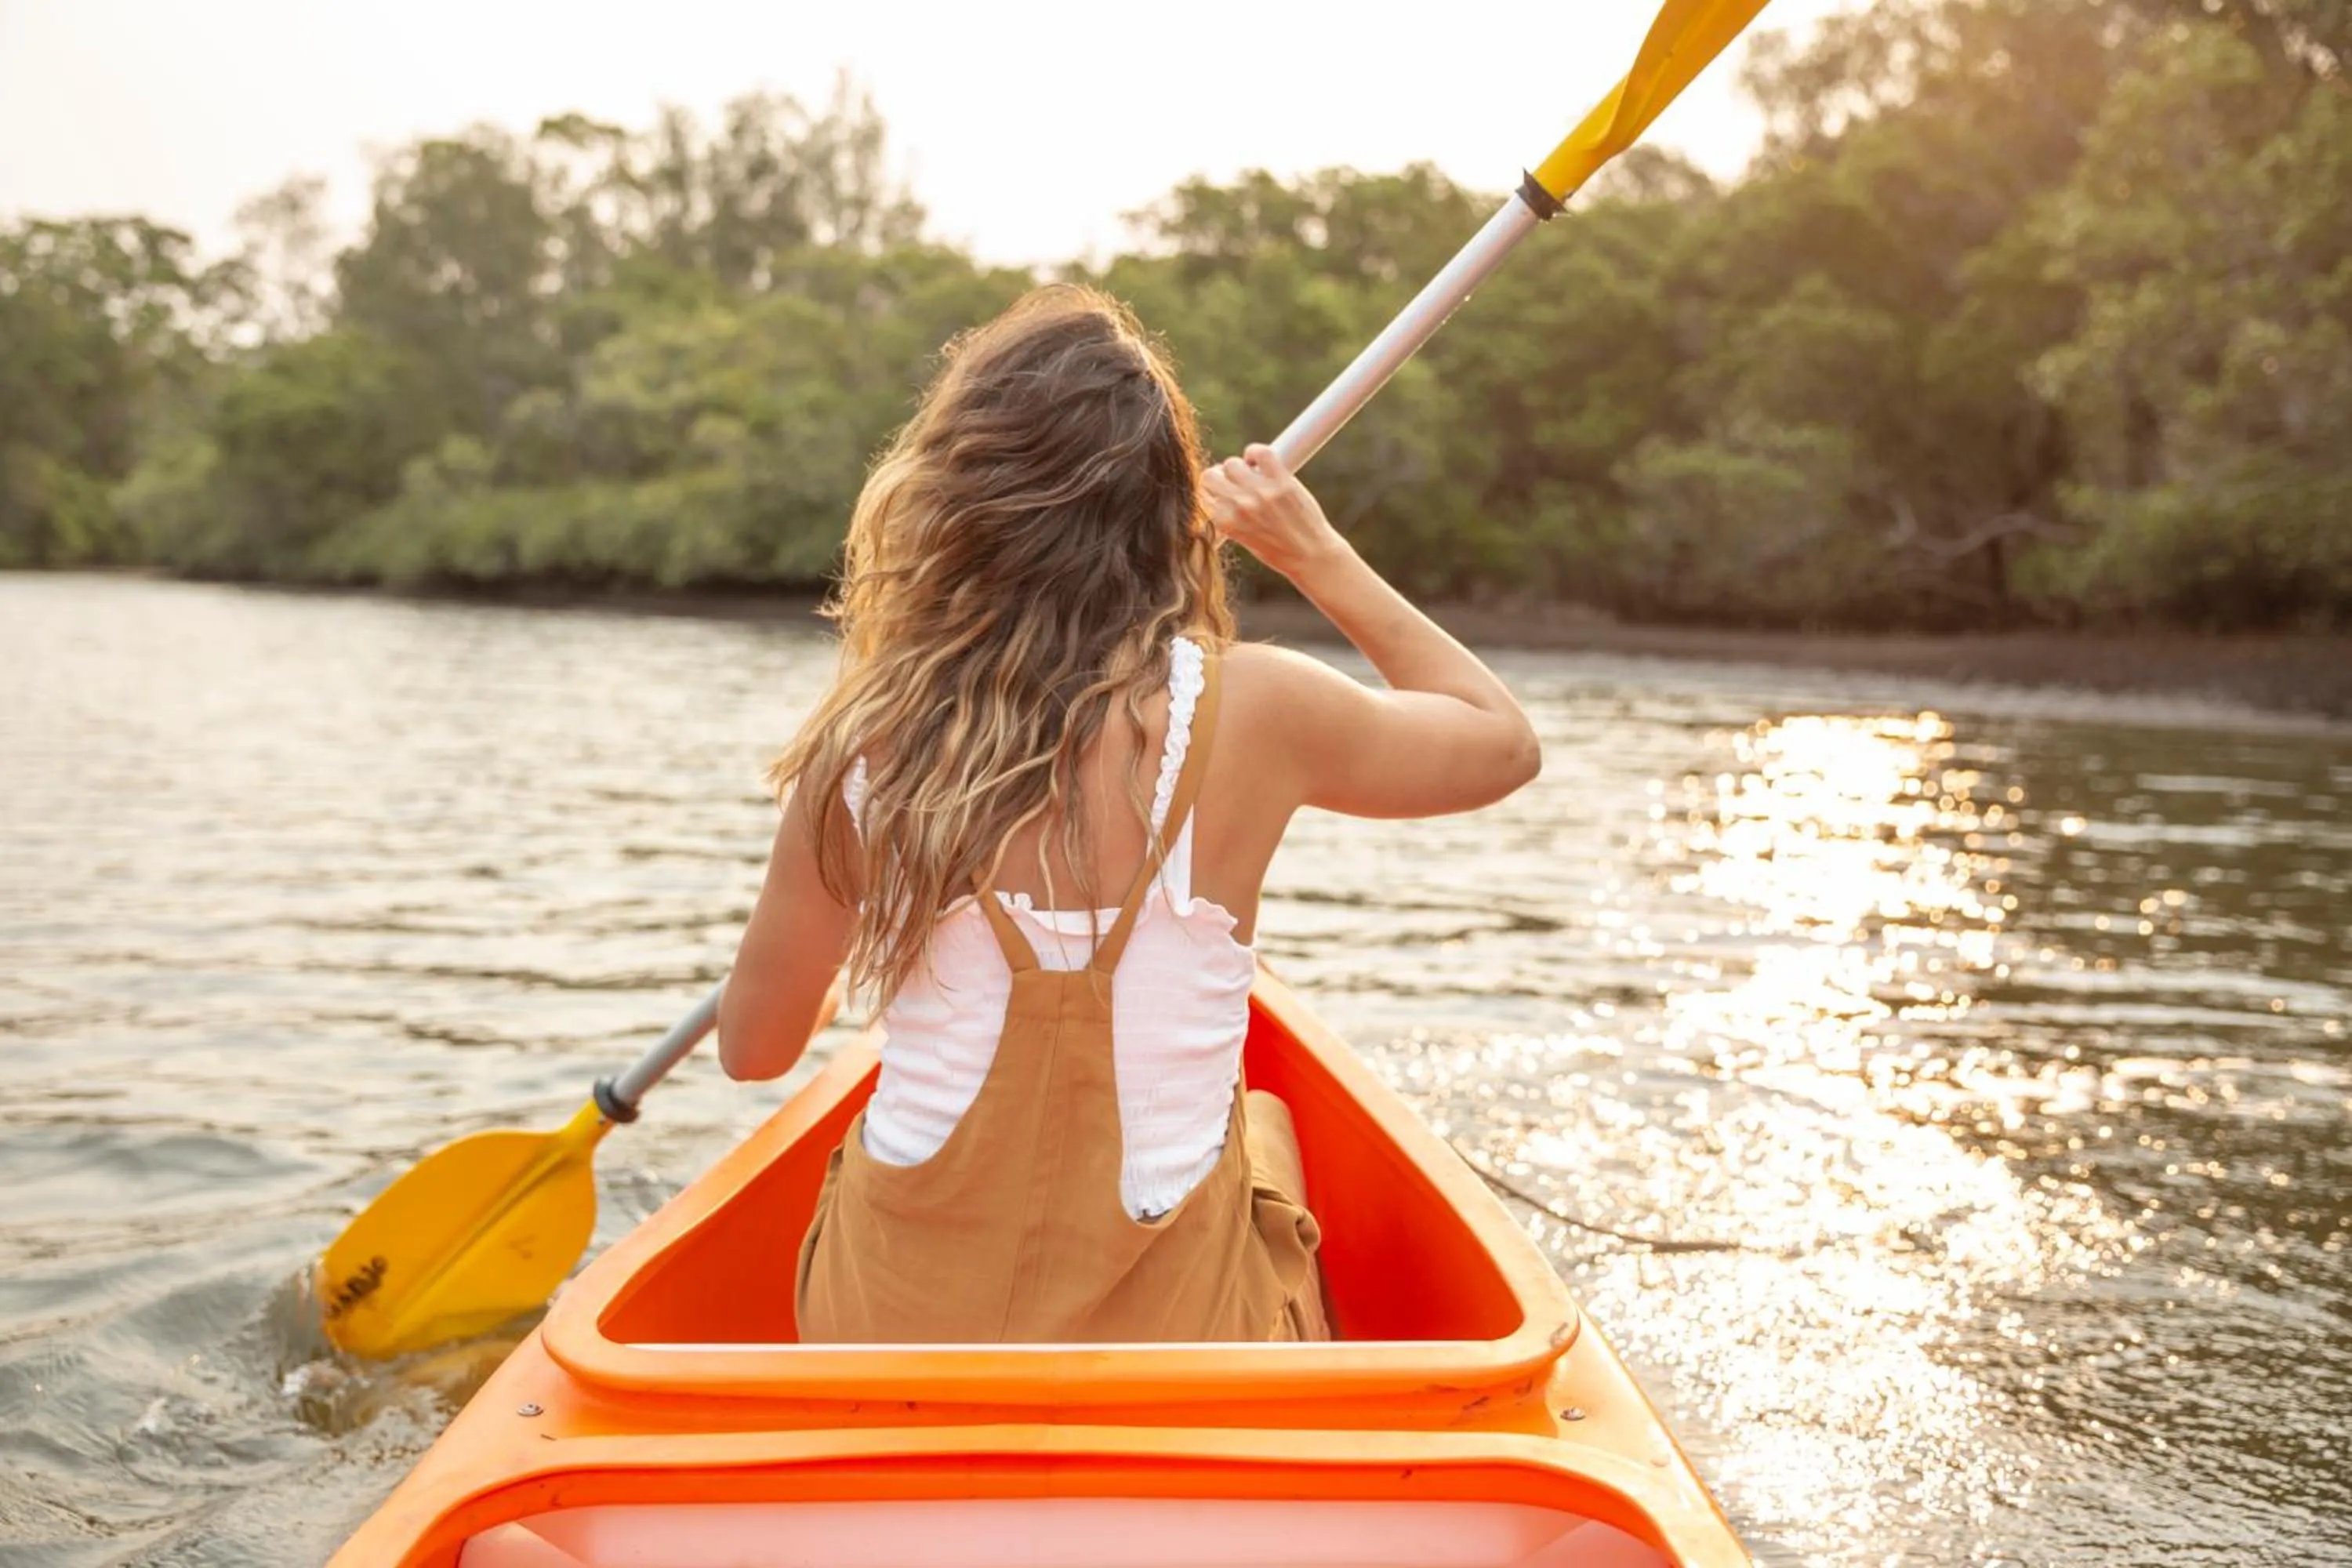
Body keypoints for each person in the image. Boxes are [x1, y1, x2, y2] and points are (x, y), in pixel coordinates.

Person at [717, 284, 1540, 1345]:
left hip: (890, 1327)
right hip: (1173, 1340)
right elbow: (1501, 742)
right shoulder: (1259, 709)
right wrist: (1314, 553)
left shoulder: (863, 747)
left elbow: (753, 1051)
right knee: (1269, 1128)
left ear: (954, 504)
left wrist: (848, 942)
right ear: (1167, 517)